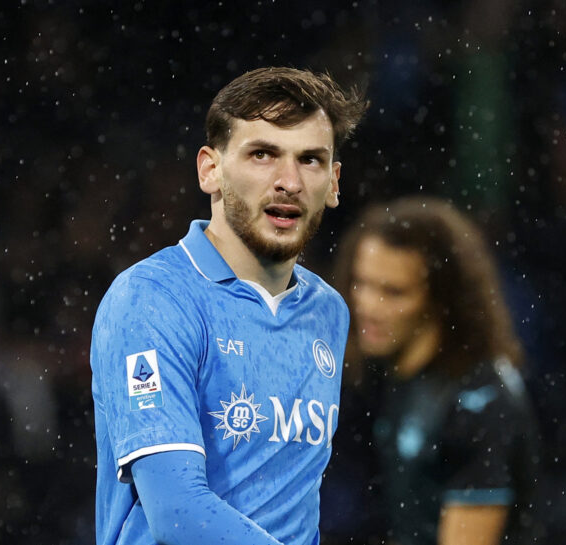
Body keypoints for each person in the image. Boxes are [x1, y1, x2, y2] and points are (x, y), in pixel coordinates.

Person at [89, 67, 368, 545]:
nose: (289, 181)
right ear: (209, 169)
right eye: (263, 154)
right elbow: (178, 514)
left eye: (311, 160)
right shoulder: (152, 299)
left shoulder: (329, 312)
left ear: (335, 182)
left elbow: (294, 508)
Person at [321, 196, 539, 545]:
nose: (367, 306)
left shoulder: (483, 405)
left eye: (392, 292)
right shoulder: (382, 378)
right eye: (361, 283)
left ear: (443, 298)